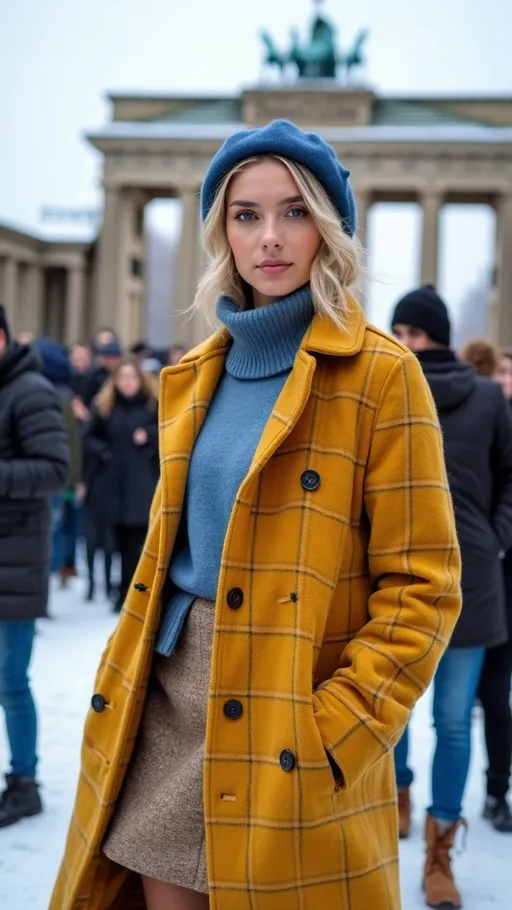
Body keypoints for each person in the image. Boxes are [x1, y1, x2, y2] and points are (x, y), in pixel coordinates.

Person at [52, 120, 461, 910]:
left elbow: (425, 587)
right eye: (246, 214)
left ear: (327, 229)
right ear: (222, 233)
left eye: (294, 212)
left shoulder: (384, 375)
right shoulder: (193, 375)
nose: (270, 236)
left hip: (292, 710)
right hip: (171, 696)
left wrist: (336, 731)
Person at [392, 286, 512, 906]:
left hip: (470, 584)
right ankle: (400, 798)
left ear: (427, 335)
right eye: (400, 332)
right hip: (396, 581)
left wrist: (494, 536)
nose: (403, 342)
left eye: (410, 332)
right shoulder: (382, 387)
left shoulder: (489, 398)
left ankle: (439, 851)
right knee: (395, 715)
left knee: (452, 722)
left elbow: (511, 477)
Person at [0, 305, 69, 827]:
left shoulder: (30, 391)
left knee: (10, 681)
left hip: (15, 560)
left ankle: (25, 783)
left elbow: (54, 471)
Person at [84, 354, 159, 611]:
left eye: (131, 377)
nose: (127, 383)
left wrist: (148, 436)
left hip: (140, 486)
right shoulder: (106, 407)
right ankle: (115, 589)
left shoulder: (153, 406)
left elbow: (168, 436)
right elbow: (90, 436)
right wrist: (102, 450)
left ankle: (132, 593)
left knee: (135, 544)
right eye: (122, 378)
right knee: (112, 542)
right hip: (113, 485)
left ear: (140, 379)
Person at [476, 347, 512, 832]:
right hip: (489, 573)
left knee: (497, 693)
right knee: (491, 691)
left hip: (501, 566)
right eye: (503, 369)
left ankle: (496, 788)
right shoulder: (487, 414)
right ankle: (496, 790)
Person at [33, 338, 83, 584]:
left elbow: (70, 440)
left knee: (50, 530)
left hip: (50, 477)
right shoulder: (63, 394)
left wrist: (72, 480)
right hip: (53, 475)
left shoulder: (54, 395)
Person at [82, 336, 123, 408]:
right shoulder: (95, 375)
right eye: (109, 359)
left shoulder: (123, 373)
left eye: (114, 359)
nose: (112, 362)